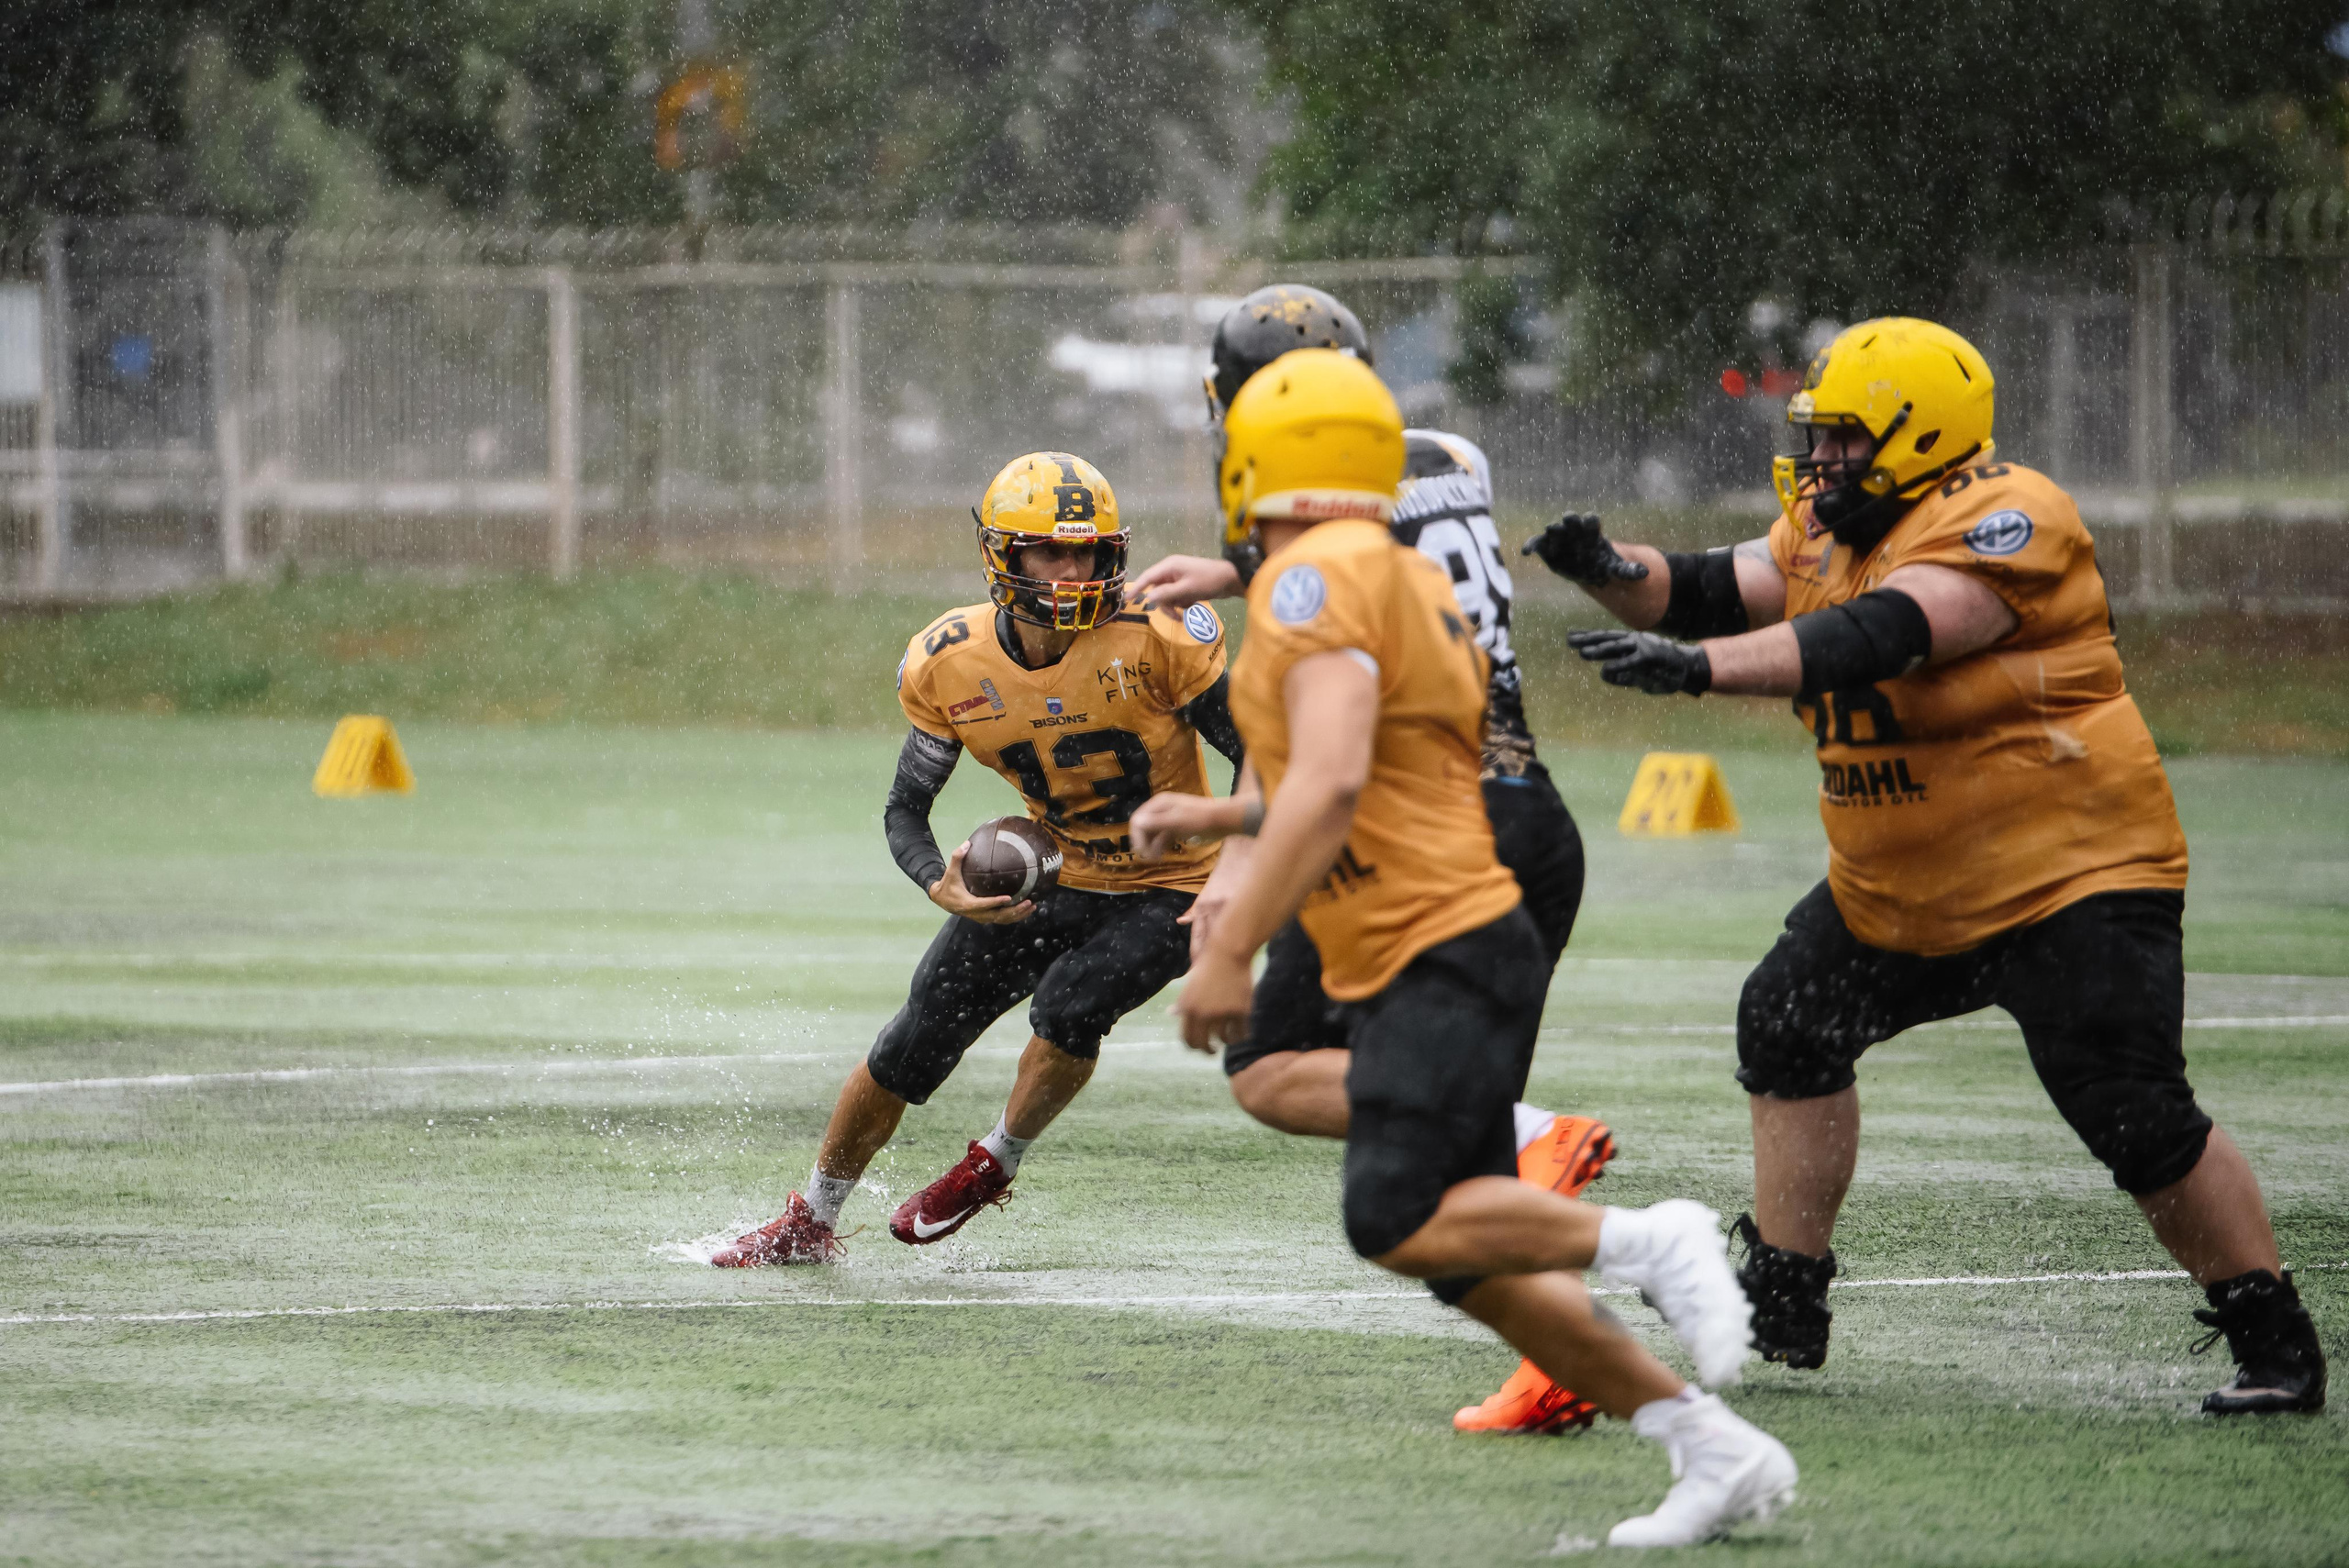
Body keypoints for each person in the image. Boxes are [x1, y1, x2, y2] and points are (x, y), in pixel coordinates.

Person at [1530, 316, 2325, 1415]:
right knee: (1788, 1020)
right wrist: (1612, 572)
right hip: (1902, 888)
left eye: (1843, 439)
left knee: (2131, 1110)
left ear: (1919, 436)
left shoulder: (2007, 515)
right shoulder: (1827, 522)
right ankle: (1787, 1292)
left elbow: (1887, 633)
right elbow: (1714, 585)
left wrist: (1695, 672)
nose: (1820, 462)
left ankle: (2273, 1338)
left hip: (2067, 875)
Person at [1174, 346, 1796, 1549]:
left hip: (1439, 941)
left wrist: (1231, 945)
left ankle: (1645, 1240)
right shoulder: (1374, 565)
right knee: (1463, 1254)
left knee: (1393, 1214)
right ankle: (1710, 1450)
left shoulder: (1316, 589)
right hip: (1440, 928)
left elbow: (1337, 778)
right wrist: (1213, 817)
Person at [1130, 284, 1615, 1436]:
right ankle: (1562, 1356)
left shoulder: (1308, 541)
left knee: (1283, 1068)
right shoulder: (1446, 455)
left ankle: (1527, 1137)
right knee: (1425, 1144)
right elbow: (1395, 568)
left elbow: (1317, 705)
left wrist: (1238, 888)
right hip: (1525, 810)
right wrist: (1239, 571)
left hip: (1417, 826)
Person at [710, 451, 1243, 1267]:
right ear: (1004, 556)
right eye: (1052, 552)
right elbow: (905, 809)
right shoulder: (950, 659)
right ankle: (811, 1218)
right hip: (1059, 870)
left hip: (1174, 881)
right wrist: (939, 881)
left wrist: (1237, 875)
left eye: (1090, 552)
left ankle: (996, 1159)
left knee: (1072, 1003)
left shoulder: (1159, 632)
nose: (1074, 571)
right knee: (913, 1039)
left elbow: (1269, 756)